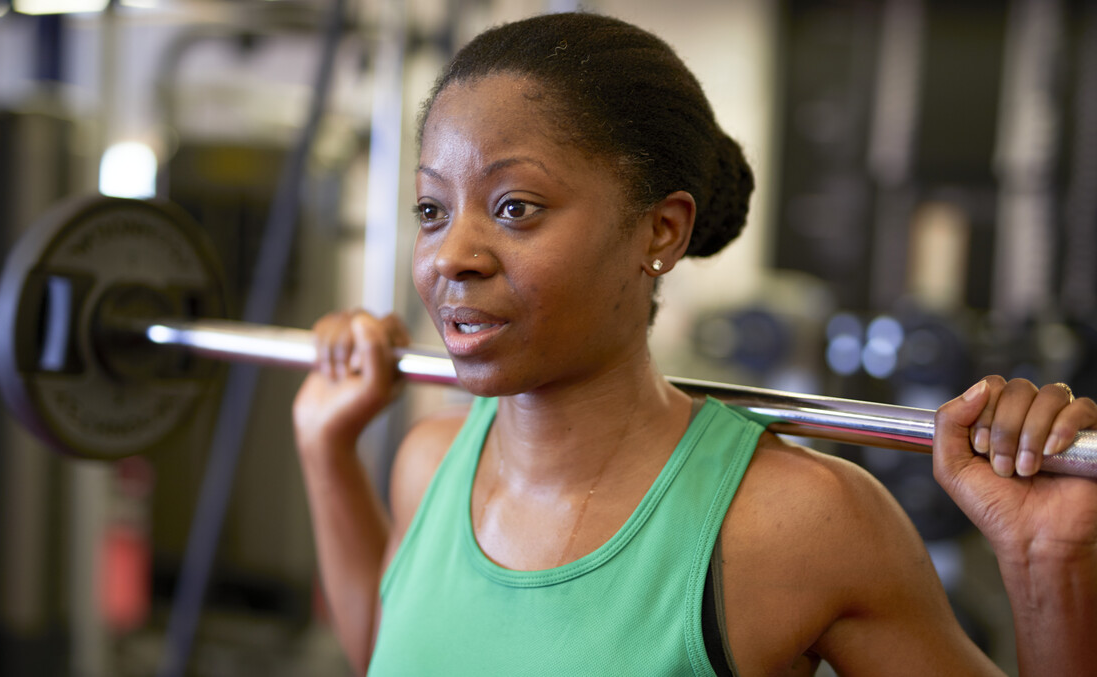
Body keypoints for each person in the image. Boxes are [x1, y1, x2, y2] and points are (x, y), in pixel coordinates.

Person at [292, 12, 1097, 676]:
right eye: (432, 210)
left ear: (661, 229)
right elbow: (386, 654)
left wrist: (1047, 564)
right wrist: (326, 446)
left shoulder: (796, 521)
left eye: (515, 207)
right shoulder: (426, 465)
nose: (450, 255)